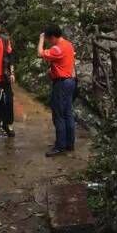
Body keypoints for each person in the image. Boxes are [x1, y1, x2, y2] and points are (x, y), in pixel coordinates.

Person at [37, 24, 76, 157]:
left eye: (48, 39)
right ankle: (69, 143)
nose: (48, 42)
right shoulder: (69, 45)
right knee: (68, 113)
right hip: (70, 81)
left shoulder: (57, 49)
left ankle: (60, 146)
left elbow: (40, 53)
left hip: (61, 84)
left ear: (52, 37)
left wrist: (41, 39)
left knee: (58, 115)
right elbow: (65, 62)